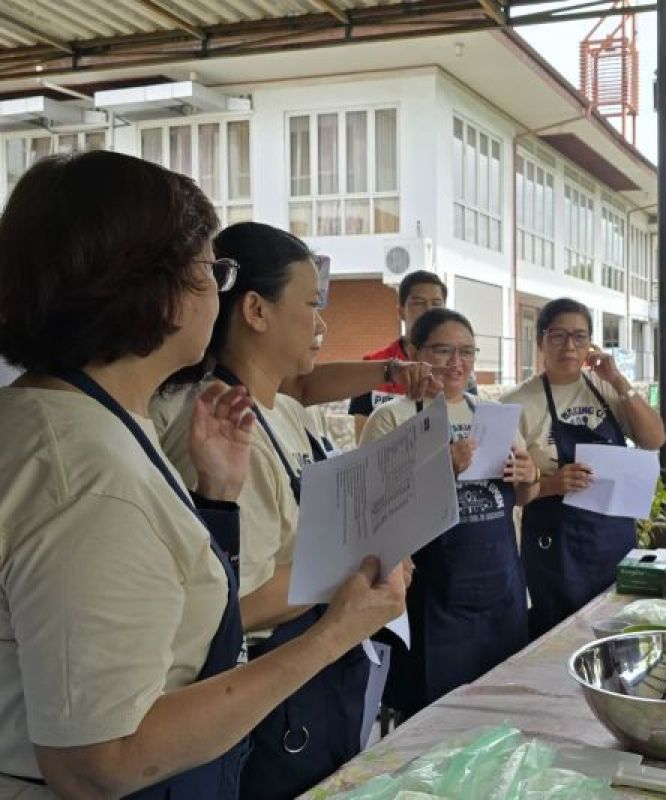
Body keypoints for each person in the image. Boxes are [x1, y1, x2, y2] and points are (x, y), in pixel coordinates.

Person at [0, 151, 408, 798]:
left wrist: (213, 501)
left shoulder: (75, 417)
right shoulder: (91, 478)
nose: (216, 294)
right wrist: (334, 633)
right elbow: (99, 761)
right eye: (208, 271)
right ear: (153, 292)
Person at [160, 222, 432, 799]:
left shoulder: (285, 409)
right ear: (256, 310)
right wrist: (359, 568)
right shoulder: (220, 425)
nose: (321, 324)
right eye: (311, 304)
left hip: (315, 680)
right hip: (268, 697)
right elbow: (239, 603)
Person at [360, 308, 537, 716]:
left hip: (501, 591)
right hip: (433, 597)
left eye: (466, 352)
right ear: (413, 351)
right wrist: (443, 468)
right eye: (443, 350)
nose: (456, 363)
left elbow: (523, 497)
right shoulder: (392, 419)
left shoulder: (492, 416)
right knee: (433, 721)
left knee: (499, 713)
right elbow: (372, 513)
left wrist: (528, 475)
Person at [502, 299, 666, 638]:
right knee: (559, 641)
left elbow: (655, 438)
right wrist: (552, 484)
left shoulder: (605, 388)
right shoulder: (516, 404)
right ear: (541, 341)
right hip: (555, 551)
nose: (569, 346)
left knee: (618, 636)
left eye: (579, 337)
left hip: (614, 542)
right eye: (559, 336)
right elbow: (509, 497)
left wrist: (618, 379)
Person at [348, 270, 458, 440]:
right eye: (418, 303)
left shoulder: (457, 368)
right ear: (400, 312)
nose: (428, 311)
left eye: (436, 303)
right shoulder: (373, 365)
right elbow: (363, 442)